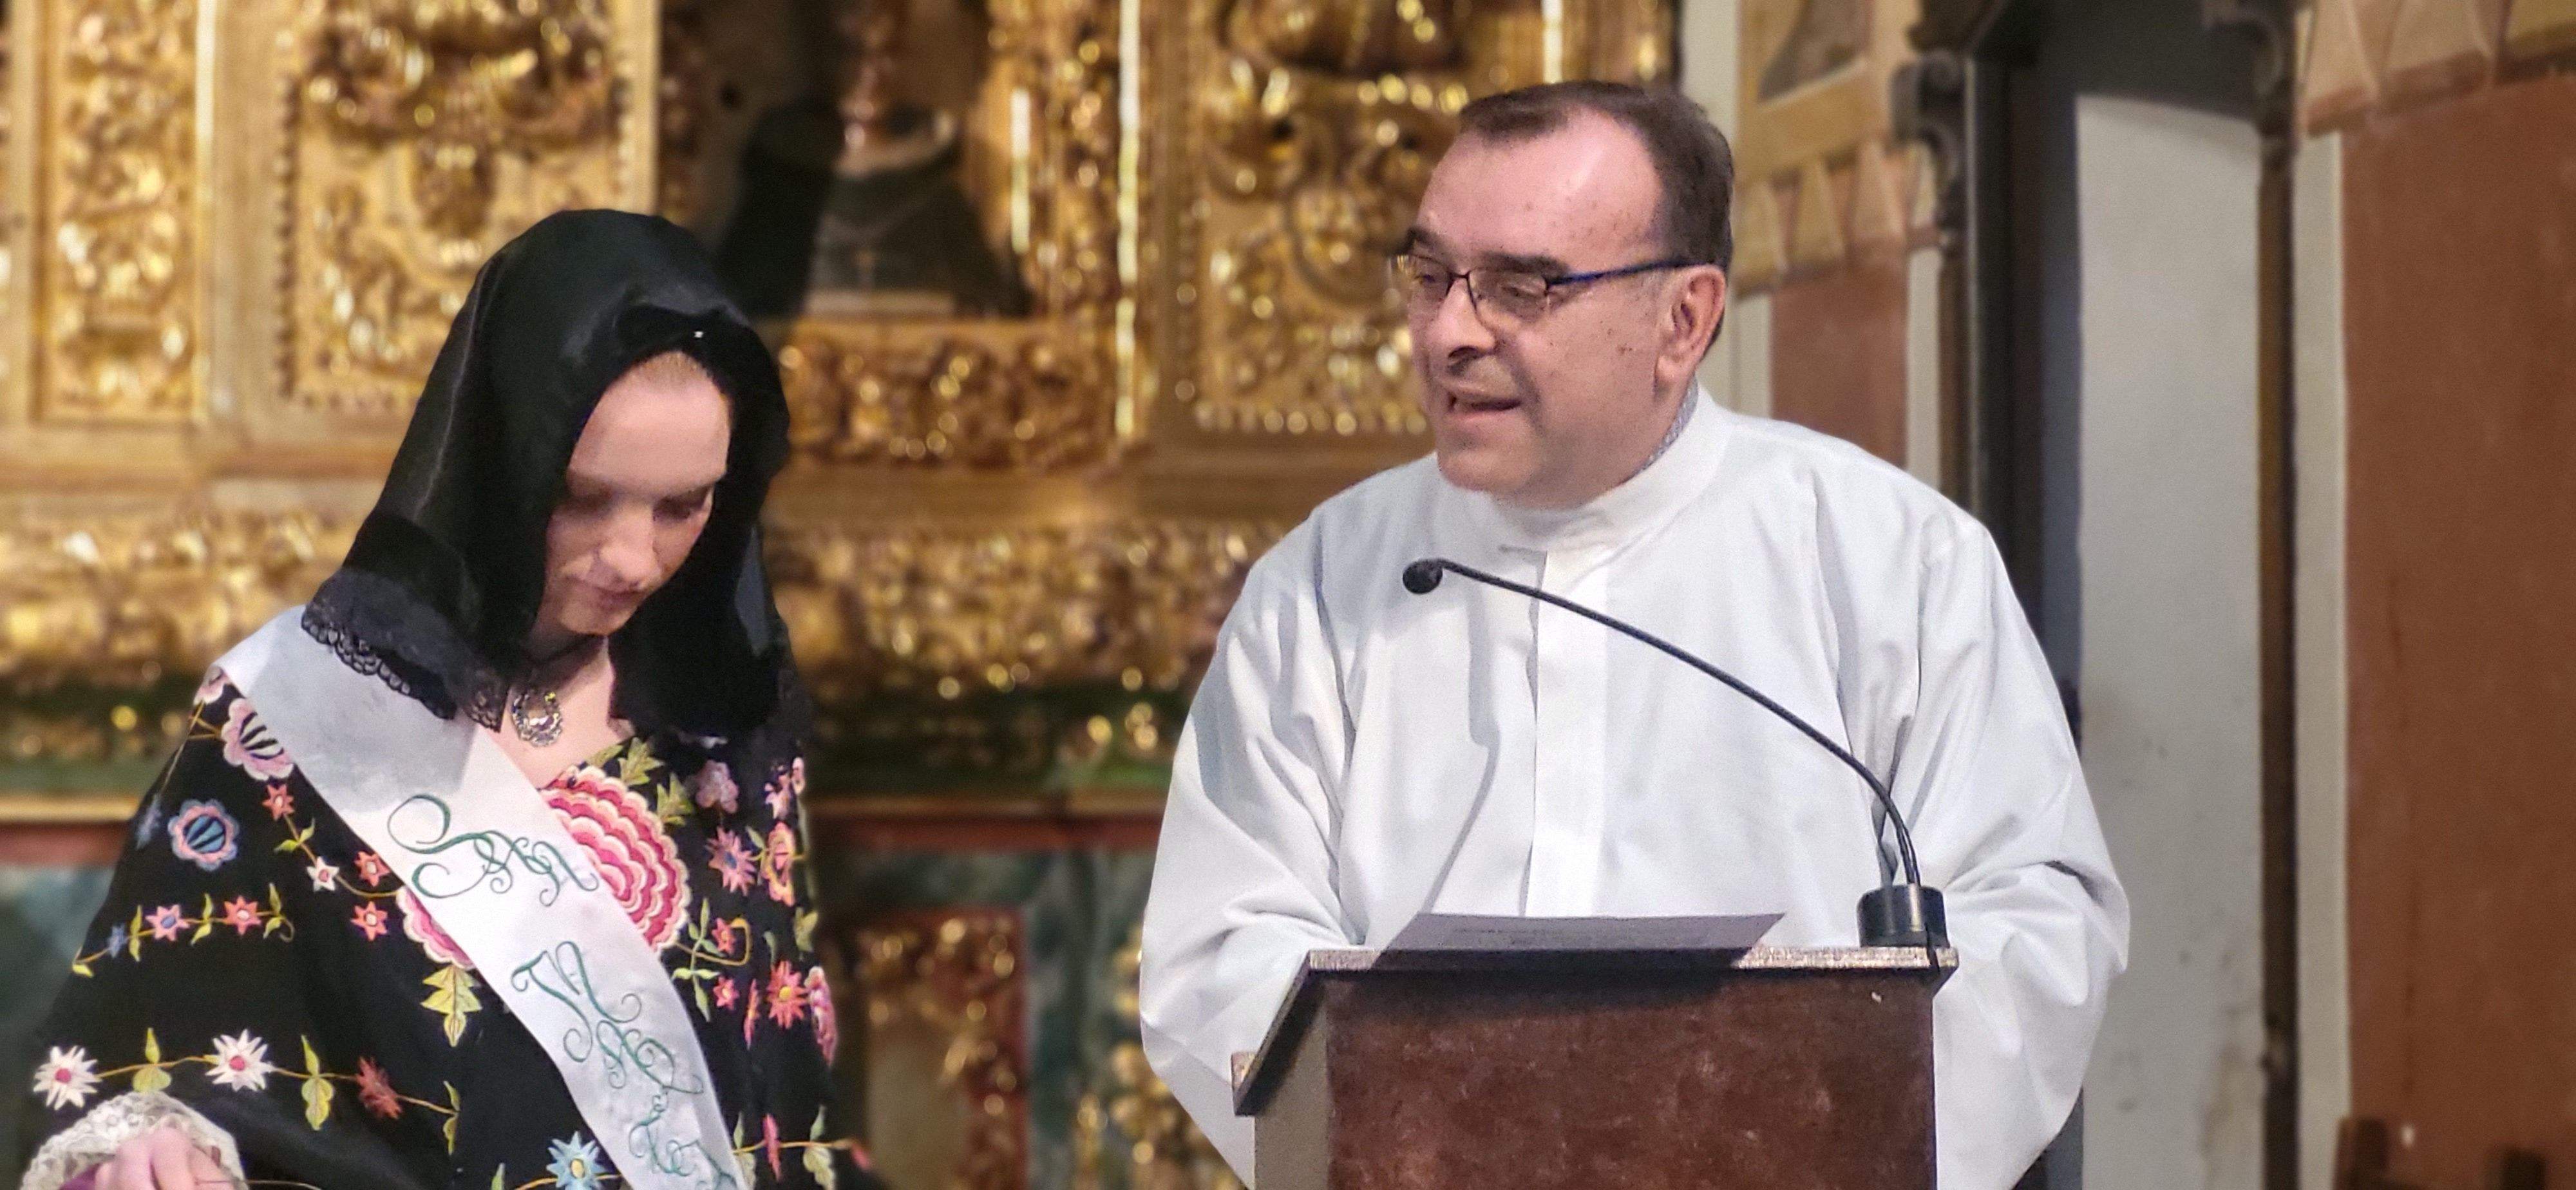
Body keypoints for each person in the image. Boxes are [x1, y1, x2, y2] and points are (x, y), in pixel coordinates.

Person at [1138, 81, 2128, 1189]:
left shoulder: (1887, 561)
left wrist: (1788, 1145)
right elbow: (1223, 949)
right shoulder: (1323, 589)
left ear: (1684, 321)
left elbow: (2030, 923)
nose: (1450, 332)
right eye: (1431, 275)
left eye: (1522, 287)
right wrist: (1444, 1151)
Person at [19, 211, 880, 1190]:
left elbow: (786, 1110)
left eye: (683, 506)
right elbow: (150, 1043)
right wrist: (156, 1148)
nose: (633, 558)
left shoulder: (728, 732)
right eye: (583, 496)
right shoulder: (292, 723)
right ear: (497, 460)